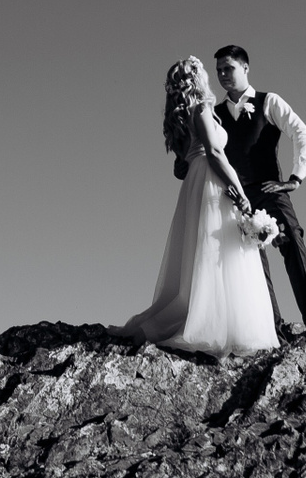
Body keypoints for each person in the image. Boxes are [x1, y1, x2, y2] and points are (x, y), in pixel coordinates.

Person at [118, 57, 279, 352]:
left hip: (194, 181)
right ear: (198, 79)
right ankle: (217, 327)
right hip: (211, 179)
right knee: (219, 250)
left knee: (201, 251)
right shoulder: (202, 109)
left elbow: (182, 164)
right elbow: (215, 152)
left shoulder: (180, 117)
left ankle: (205, 318)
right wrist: (239, 191)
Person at [212, 44, 306, 344]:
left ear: (245, 68)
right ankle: (273, 329)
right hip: (237, 199)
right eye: (219, 70)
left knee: (292, 239)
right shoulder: (215, 114)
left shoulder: (269, 101)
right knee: (251, 261)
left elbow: (303, 134)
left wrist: (295, 179)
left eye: (229, 68)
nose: (223, 74)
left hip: (270, 190)